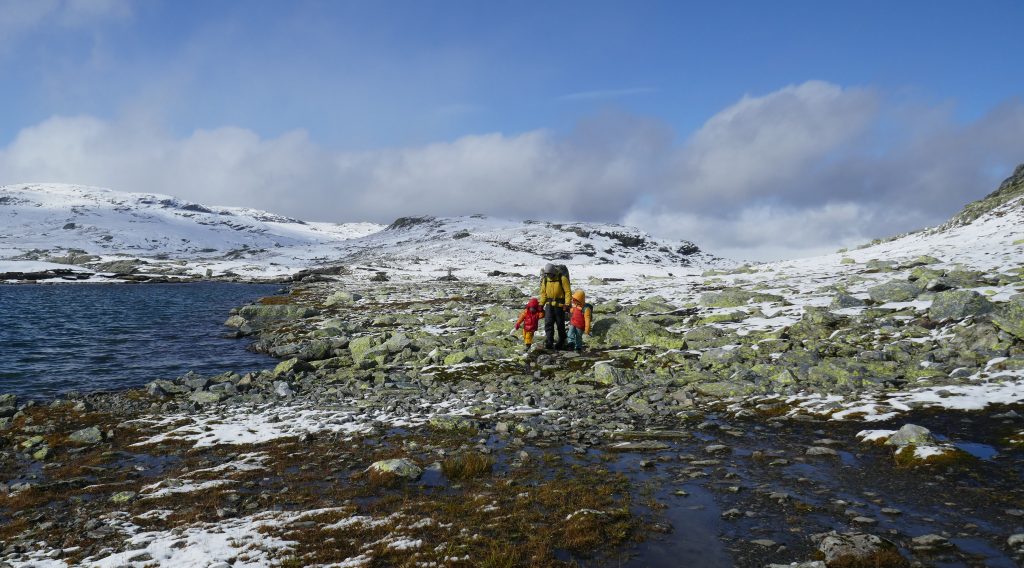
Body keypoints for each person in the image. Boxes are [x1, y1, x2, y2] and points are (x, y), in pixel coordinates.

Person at [538, 263, 571, 350]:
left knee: (560, 324)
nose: (548, 275)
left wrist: (567, 304)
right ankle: (549, 341)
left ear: (553, 272)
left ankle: (562, 340)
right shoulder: (545, 280)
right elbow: (543, 294)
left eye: (549, 274)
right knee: (548, 324)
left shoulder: (562, 278)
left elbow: (568, 292)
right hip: (549, 305)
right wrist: (541, 304)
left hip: (560, 306)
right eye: (546, 274)